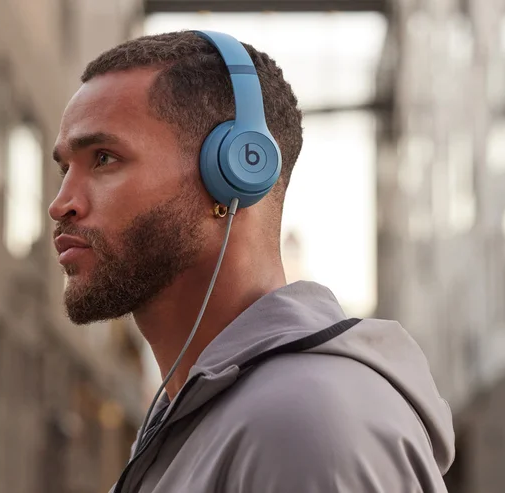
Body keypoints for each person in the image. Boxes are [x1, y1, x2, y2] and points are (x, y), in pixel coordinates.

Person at [48, 30, 455, 493]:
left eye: (103, 158)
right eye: (65, 169)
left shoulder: (303, 423)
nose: (61, 204)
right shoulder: (199, 419)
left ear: (235, 173)